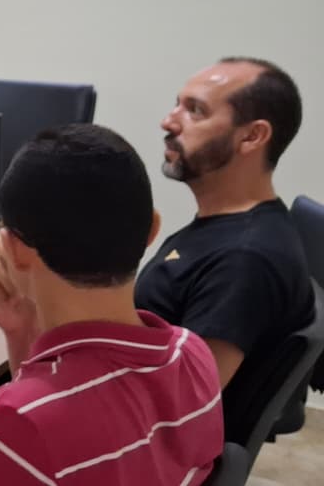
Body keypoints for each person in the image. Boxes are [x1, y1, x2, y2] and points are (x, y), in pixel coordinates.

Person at [0, 124, 223, 486]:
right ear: (151, 229)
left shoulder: (13, 422)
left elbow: (37, 424)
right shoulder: (193, 354)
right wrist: (20, 335)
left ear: (11, 249)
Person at [135, 56, 313, 437]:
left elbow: (180, 409)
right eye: (177, 104)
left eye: (195, 111)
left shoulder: (243, 260)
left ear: (252, 136)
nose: (168, 122)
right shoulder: (225, 226)